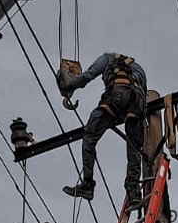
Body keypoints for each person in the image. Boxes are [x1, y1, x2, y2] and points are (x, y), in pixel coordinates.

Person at [59, 52, 147, 207]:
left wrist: (70, 85)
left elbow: (88, 75)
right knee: (134, 147)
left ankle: (87, 184)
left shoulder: (107, 58)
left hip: (116, 97)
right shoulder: (138, 68)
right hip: (137, 102)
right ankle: (133, 190)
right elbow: (143, 94)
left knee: (90, 136)